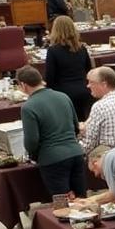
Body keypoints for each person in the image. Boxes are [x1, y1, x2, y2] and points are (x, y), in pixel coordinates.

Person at [18, 65, 86, 199]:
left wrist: (33, 156)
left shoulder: (28, 107)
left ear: (23, 85)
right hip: (76, 153)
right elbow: (75, 126)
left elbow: (32, 141)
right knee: (82, 201)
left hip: (52, 159)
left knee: (63, 205)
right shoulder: (63, 96)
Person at [44, 15, 94, 121]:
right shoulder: (82, 48)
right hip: (84, 91)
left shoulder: (53, 51)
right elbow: (89, 71)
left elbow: (50, 77)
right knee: (82, 121)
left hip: (63, 94)